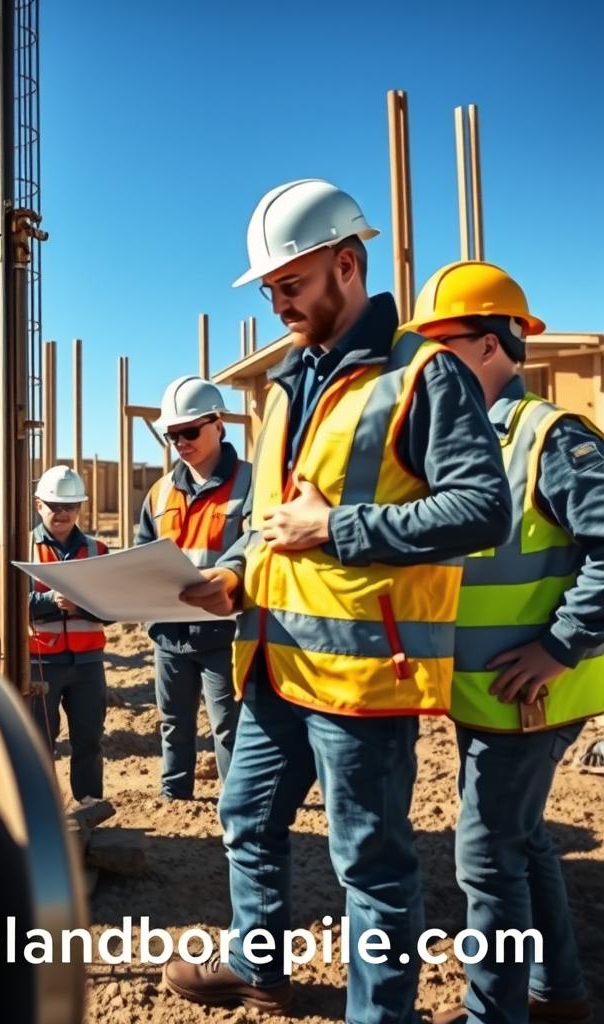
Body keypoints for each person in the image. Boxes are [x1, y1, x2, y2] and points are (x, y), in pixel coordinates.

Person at [166, 179, 511, 1022]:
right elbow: (265, 523)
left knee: (373, 865)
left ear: (347, 266)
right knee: (245, 817)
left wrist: (340, 527)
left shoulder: (423, 376)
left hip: (364, 676)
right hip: (275, 661)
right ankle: (258, 962)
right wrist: (234, 574)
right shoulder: (283, 389)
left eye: (291, 284)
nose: (279, 301)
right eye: (272, 289)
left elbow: (482, 510)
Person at [409, 262, 602, 1024]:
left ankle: (497, 1014)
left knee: (486, 860)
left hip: (535, 693)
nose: (424, 368)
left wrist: (560, 645)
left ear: (493, 345)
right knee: (521, 846)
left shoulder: (549, 438)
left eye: (440, 348)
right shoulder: (461, 446)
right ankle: (558, 995)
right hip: (488, 698)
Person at [135, 375, 249, 798]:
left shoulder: (250, 483)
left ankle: (236, 802)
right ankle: (174, 795)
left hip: (225, 633)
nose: (180, 441)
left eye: (189, 431)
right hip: (169, 633)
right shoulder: (160, 492)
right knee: (173, 721)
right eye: (172, 434)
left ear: (218, 424)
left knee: (228, 725)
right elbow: (143, 553)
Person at [28, 465, 110, 800]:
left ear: (80, 508)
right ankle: (43, 809)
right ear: (38, 505)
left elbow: (111, 606)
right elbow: (11, 602)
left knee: (89, 740)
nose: (62, 513)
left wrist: (77, 608)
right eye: (53, 505)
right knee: (38, 742)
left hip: (88, 663)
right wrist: (50, 601)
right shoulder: (22, 548)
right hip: (40, 661)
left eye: (70, 506)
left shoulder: (97, 550)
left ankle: (89, 806)